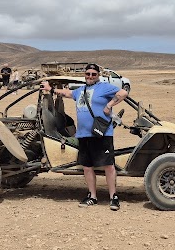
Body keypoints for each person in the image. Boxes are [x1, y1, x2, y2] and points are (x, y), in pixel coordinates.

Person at [41, 62, 127, 210]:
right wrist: (51, 89)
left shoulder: (104, 87)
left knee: (108, 166)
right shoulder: (80, 90)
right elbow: (68, 93)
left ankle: (113, 197)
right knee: (87, 167)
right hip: (83, 135)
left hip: (101, 134)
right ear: (85, 75)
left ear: (98, 75)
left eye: (94, 74)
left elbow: (123, 93)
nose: (90, 76)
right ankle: (92, 196)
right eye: (88, 74)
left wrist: (109, 105)